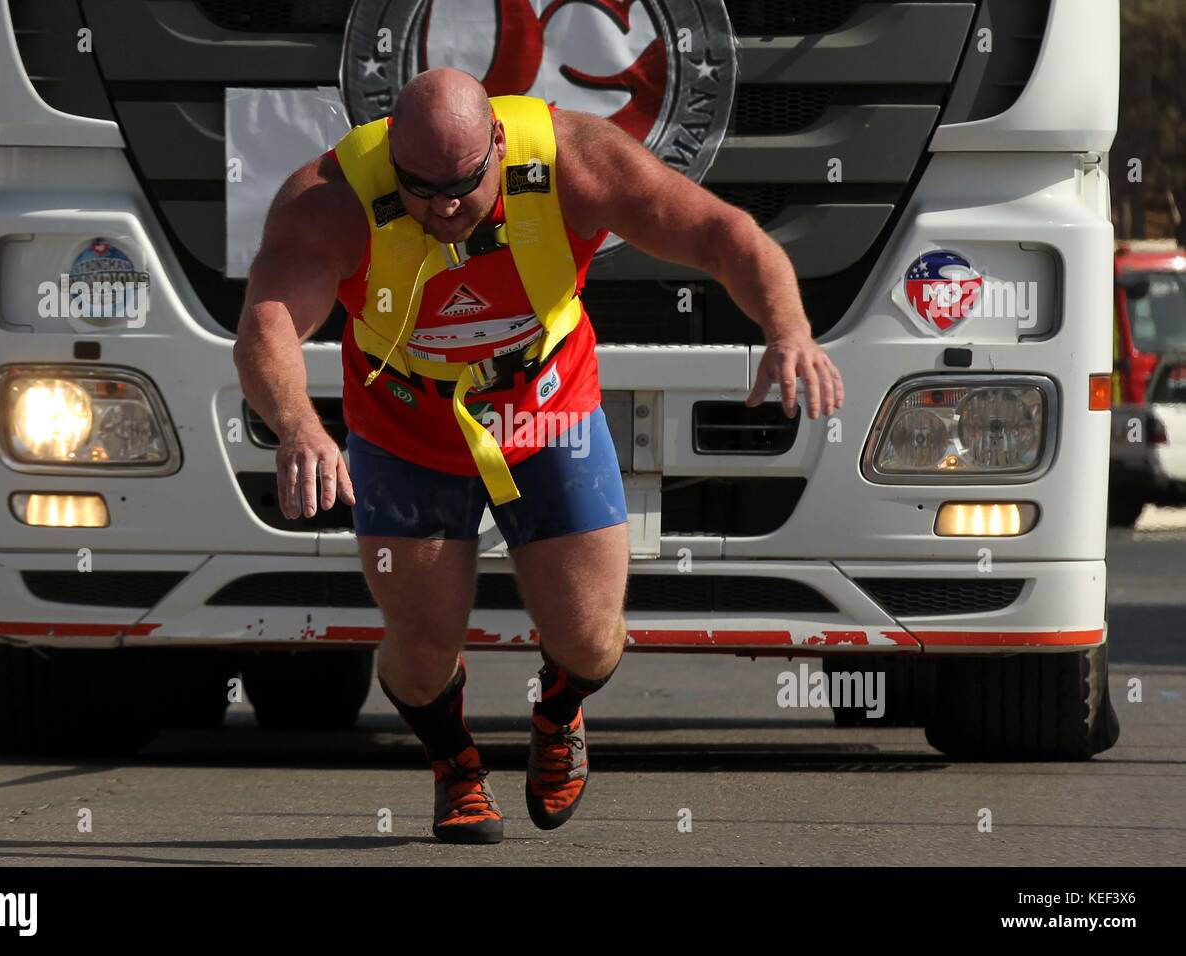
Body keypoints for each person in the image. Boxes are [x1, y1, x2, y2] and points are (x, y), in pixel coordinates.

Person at [233, 68, 844, 844]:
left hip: (546, 409)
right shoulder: (333, 197)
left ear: (496, 144)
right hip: (406, 426)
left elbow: (724, 235)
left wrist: (788, 329)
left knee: (591, 637)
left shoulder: (573, 161)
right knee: (422, 651)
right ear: (394, 159)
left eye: (462, 185)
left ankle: (557, 713)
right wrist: (297, 424)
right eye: (421, 189)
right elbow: (268, 320)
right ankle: (455, 763)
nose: (444, 208)